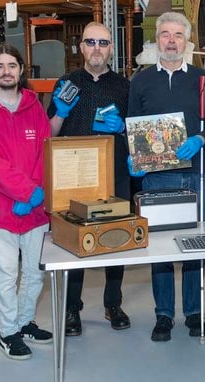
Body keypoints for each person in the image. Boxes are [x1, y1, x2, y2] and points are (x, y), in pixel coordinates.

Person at [128, 11, 205, 342]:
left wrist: (200, 139)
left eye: (178, 35)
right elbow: (133, 126)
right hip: (157, 177)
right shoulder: (140, 81)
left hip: (196, 174)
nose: (171, 41)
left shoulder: (200, 79)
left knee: (196, 246)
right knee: (161, 250)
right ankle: (164, 315)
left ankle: (195, 313)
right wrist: (134, 158)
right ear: (157, 40)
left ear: (187, 41)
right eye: (165, 35)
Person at [0, 44, 53, 360]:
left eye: (12, 65)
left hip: (35, 207)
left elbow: (46, 151)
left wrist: (35, 193)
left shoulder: (34, 106)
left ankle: (25, 322)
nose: (6, 71)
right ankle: (8, 333)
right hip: (1, 205)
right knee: (5, 274)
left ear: (21, 70)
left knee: (35, 272)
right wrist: (22, 192)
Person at [47, 22, 132, 336]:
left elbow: (136, 133)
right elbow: (49, 134)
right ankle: (72, 308)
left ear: (111, 48)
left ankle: (113, 303)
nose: (97, 48)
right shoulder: (66, 83)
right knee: (74, 242)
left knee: (116, 238)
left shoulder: (125, 86)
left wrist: (122, 127)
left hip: (116, 174)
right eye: (90, 41)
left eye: (104, 42)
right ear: (80, 47)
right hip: (76, 177)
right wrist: (60, 112)